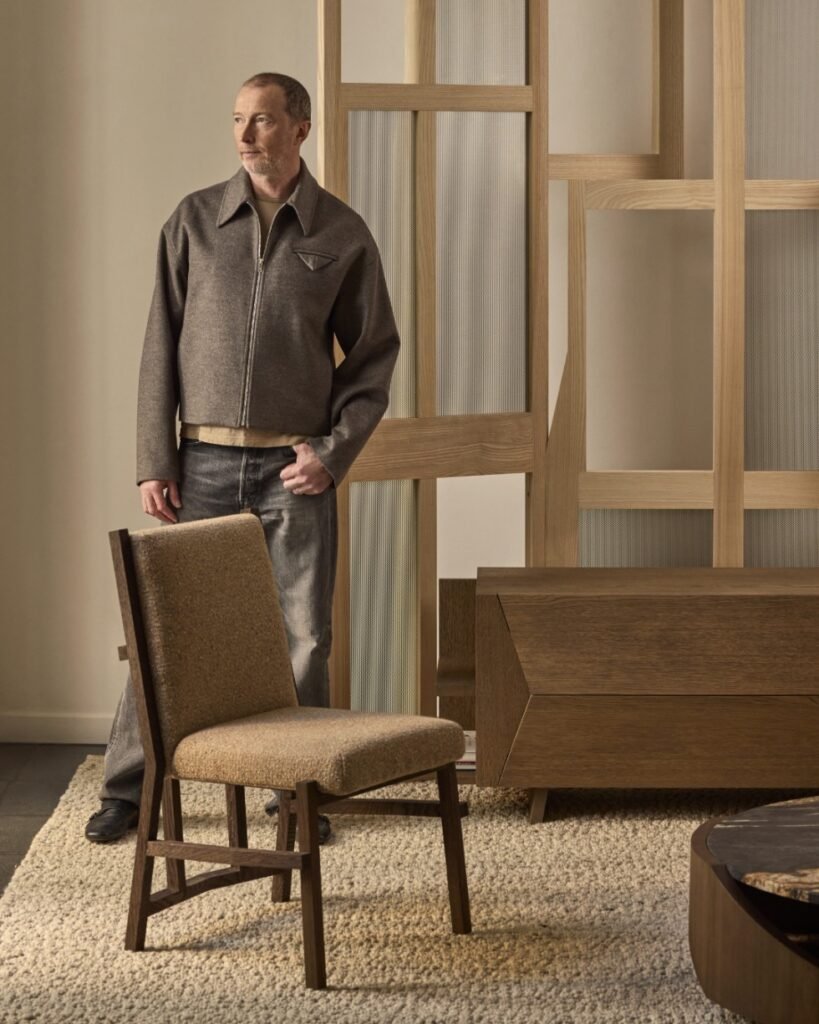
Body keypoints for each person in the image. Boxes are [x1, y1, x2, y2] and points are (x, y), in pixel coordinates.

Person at [85, 72, 399, 844]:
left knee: (304, 634)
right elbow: (159, 345)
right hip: (201, 464)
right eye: (236, 120)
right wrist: (154, 458)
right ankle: (129, 788)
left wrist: (332, 455)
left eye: (261, 120)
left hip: (295, 473)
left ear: (300, 128)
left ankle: (297, 795)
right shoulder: (194, 220)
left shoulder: (341, 232)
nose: (245, 134)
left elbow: (372, 358)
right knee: (167, 627)